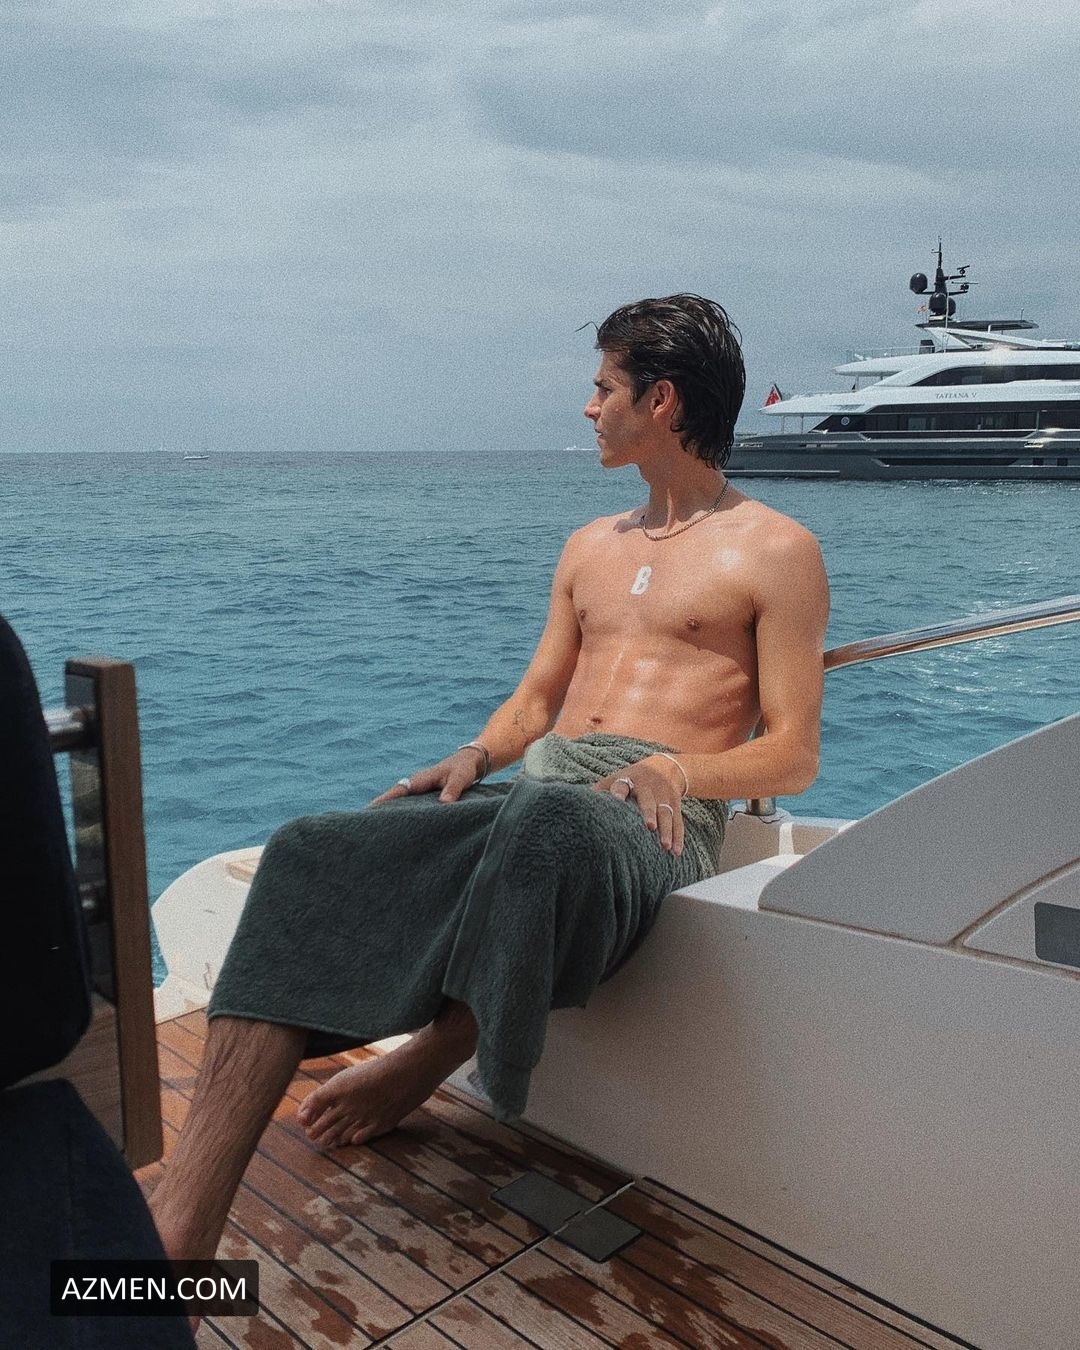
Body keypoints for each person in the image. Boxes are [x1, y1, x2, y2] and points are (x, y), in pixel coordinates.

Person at [149, 294, 829, 1267]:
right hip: (539, 795)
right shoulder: (590, 547)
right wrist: (475, 755)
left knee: (546, 822)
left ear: (662, 400)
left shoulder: (777, 551)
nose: (588, 407)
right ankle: (181, 1234)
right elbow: (536, 701)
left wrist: (678, 767)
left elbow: (793, 752)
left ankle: (432, 1056)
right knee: (308, 849)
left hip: (653, 823)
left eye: (603, 388)